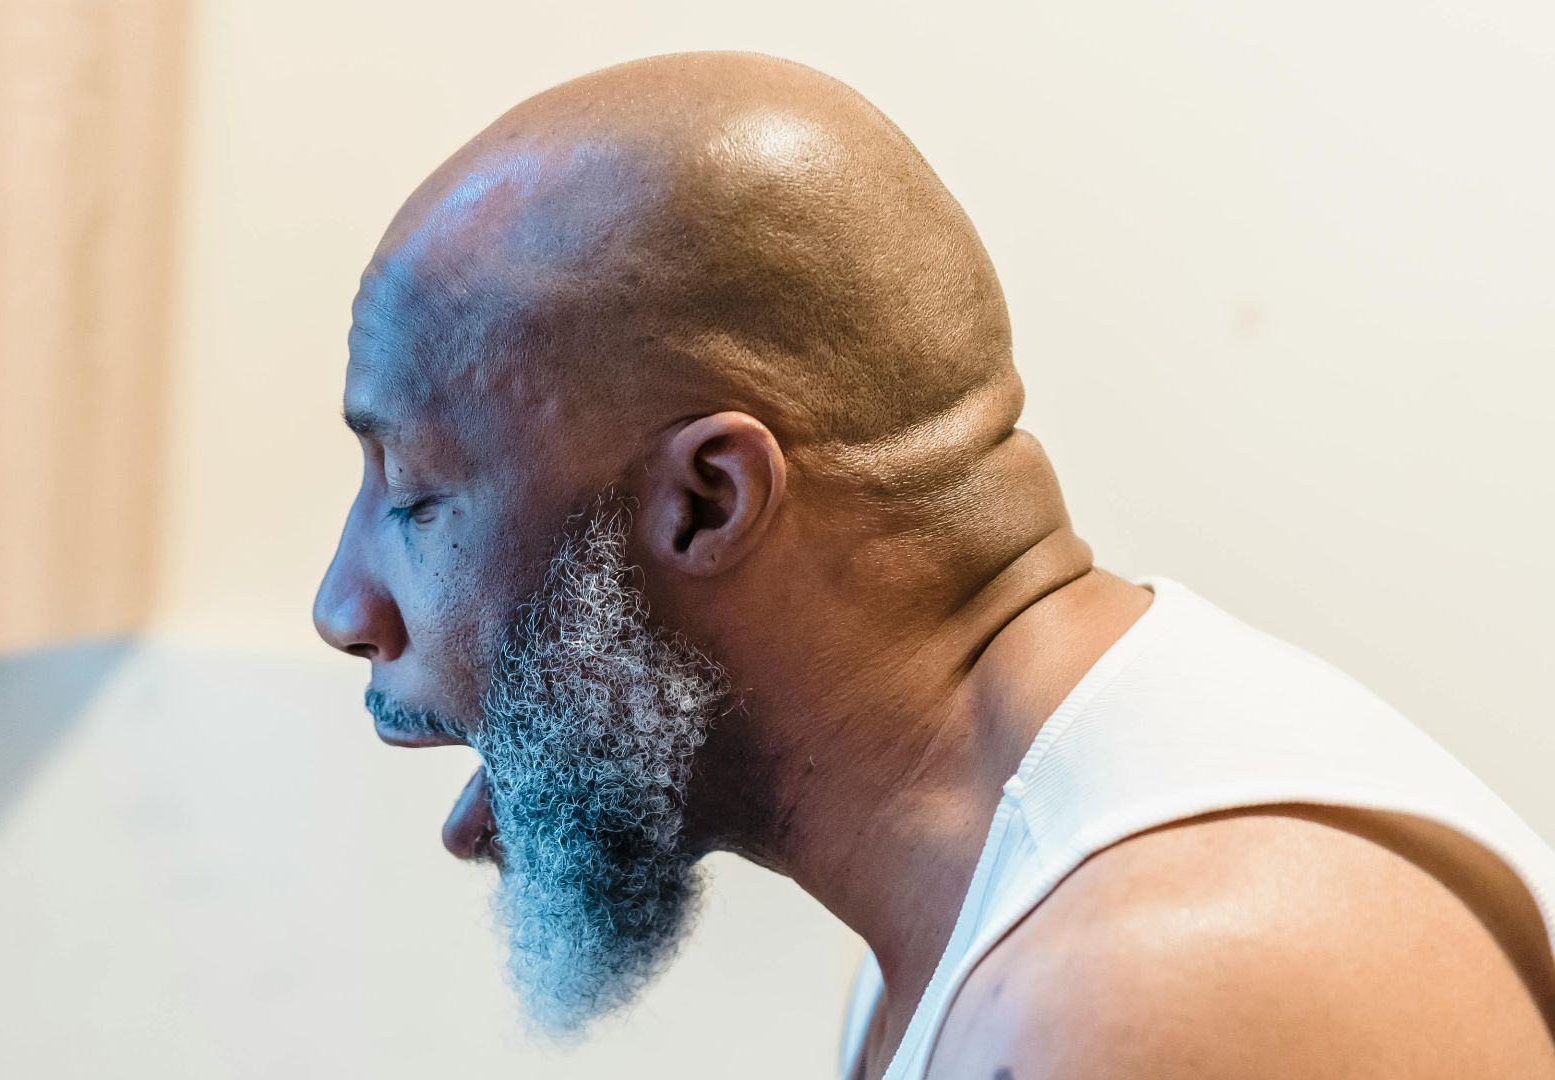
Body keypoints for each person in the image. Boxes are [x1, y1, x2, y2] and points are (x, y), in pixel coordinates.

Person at [311, 50, 1555, 1078]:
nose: (344, 608)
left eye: (414, 495)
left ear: (706, 500)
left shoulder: (1163, 994)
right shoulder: (990, 908)